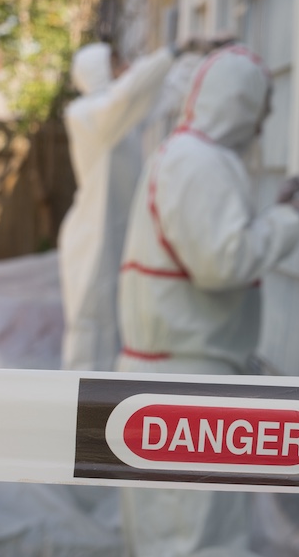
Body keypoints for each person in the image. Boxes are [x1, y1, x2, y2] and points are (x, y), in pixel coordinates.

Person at [115, 45, 299, 556]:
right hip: (186, 390)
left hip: (169, 380)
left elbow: (208, 245)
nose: (264, 121)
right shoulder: (200, 162)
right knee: (198, 539)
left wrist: (271, 216)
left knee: (165, 533)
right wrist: (296, 219)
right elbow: (221, 262)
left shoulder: (185, 155)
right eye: (263, 107)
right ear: (241, 102)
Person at [59, 38, 214, 372]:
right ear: (98, 70)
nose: (125, 67)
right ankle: (74, 407)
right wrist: (171, 51)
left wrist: (197, 55)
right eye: (117, 63)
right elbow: (130, 93)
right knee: (89, 326)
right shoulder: (86, 114)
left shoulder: (119, 117)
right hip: (90, 237)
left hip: (116, 230)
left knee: (116, 322)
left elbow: (167, 93)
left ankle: (102, 409)